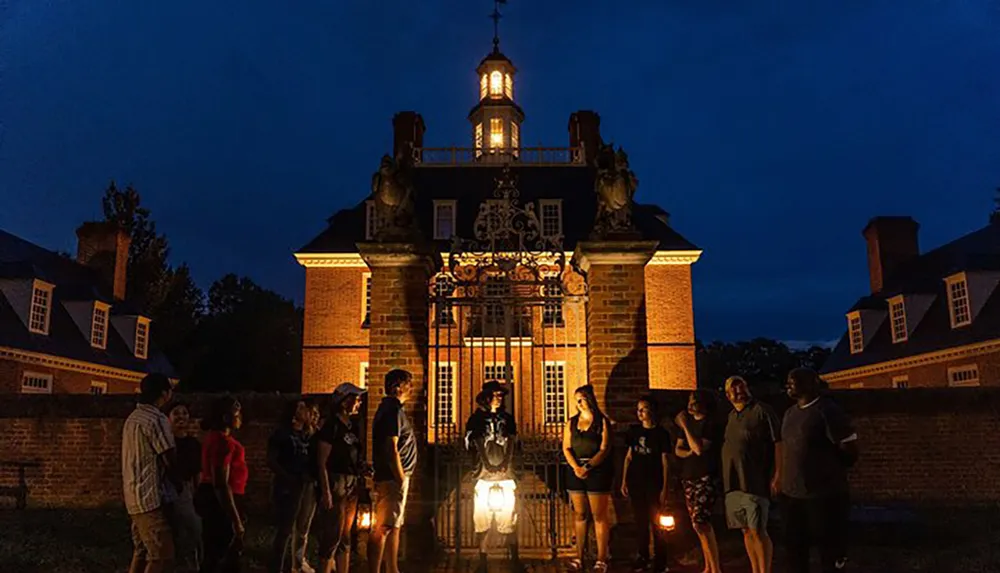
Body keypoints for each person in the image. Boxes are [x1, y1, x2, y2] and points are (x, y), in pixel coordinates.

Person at [781, 368, 858, 573]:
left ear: (810, 383)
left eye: (793, 381)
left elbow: (849, 451)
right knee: (795, 551)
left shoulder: (828, 411)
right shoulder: (790, 413)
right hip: (794, 496)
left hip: (824, 496)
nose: (788, 385)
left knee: (829, 553)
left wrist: (825, 471)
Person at [721, 376, 782, 573]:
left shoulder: (761, 411)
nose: (740, 392)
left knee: (758, 529)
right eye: (735, 389)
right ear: (728, 394)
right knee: (745, 530)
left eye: (742, 387)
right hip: (733, 482)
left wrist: (777, 474)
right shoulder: (731, 416)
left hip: (754, 480)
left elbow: (778, 443)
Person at [464, 380, 523, 573]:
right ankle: (483, 559)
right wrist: (486, 464)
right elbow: (475, 442)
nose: (499, 398)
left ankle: (514, 558)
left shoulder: (507, 417)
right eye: (496, 395)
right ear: (487, 397)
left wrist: (506, 461)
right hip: (483, 475)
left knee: (509, 517)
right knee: (482, 519)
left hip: (505, 475)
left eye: (501, 395)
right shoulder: (476, 419)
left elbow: (513, 441)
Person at [123, 373, 177, 573]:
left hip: (133, 495)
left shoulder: (133, 418)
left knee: (142, 551)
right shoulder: (156, 419)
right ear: (164, 393)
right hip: (149, 497)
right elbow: (169, 457)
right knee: (162, 554)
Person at [316, 383, 369, 573]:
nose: (359, 402)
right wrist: (326, 491)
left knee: (345, 535)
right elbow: (322, 461)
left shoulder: (352, 426)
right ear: (344, 401)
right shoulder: (331, 427)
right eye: (356, 398)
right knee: (333, 534)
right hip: (336, 482)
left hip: (351, 482)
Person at [368, 369, 417, 573]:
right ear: (397, 387)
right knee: (384, 526)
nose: (411, 388)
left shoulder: (392, 409)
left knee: (394, 525)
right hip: (393, 477)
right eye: (408, 383)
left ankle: (392, 568)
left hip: (395, 476)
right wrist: (399, 476)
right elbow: (391, 446)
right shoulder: (392, 411)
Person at [562, 384, 613, 573]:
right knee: (580, 515)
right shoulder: (572, 422)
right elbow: (566, 447)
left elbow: (604, 448)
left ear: (590, 399)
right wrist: (576, 467)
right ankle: (579, 557)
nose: (579, 404)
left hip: (597, 470)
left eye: (582, 399)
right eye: (577, 400)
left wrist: (588, 466)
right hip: (576, 471)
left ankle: (601, 559)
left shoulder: (602, 422)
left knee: (599, 516)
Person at [197, 396, 248, 573]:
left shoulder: (216, 439)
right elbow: (220, 482)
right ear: (226, 417)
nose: (240, 417)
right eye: (237, 413)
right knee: (222, 554)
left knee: (215, 553)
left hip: (220, 499)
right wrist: (235, 519)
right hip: (221, 502)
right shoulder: (222, 443)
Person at [674, 390, 723, 573]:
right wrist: (687, 453)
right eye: (689, 401)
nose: (690, 405)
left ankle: (716, 567)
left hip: (705, 476)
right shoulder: (688, 424)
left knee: (701, 521)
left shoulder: (709, 424)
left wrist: (686, 426)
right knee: (697, 524)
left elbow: (699, 448)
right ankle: (708, 566)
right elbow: (679, 449)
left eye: (694, 402)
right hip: (689, 476)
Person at [621, 396, 670, 573]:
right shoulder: (633, 432)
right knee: (640, 521)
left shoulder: (661, 434)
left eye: (644, 409)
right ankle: (642, 555)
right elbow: (628, 457)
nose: (640, 413)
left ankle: (660, 558)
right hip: (636, 482)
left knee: (656, 521)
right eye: (638, 409)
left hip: (653, 482)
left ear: (652, 411)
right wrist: (624, 480)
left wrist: (665, 487)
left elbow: (665, 462)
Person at [267, 400, 316, 573]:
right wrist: (287, 477)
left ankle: (298, 563)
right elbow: (271, 460)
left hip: (306, 484)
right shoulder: (282, 434)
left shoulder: (308, 434)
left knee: (303, 527)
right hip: (288, 485)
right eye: (301, 407)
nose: (305, 411)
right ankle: (277, 567)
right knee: (285, 530)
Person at [166, 401, 204, 572]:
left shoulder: (194, 444)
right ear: (168, 418)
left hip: (187, 491)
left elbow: (198, 471)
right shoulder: (165, 443)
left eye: (184, 413)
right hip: (168, 490)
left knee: (193, 533)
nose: (181, 416)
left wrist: (197, 493)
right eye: (176, 413)